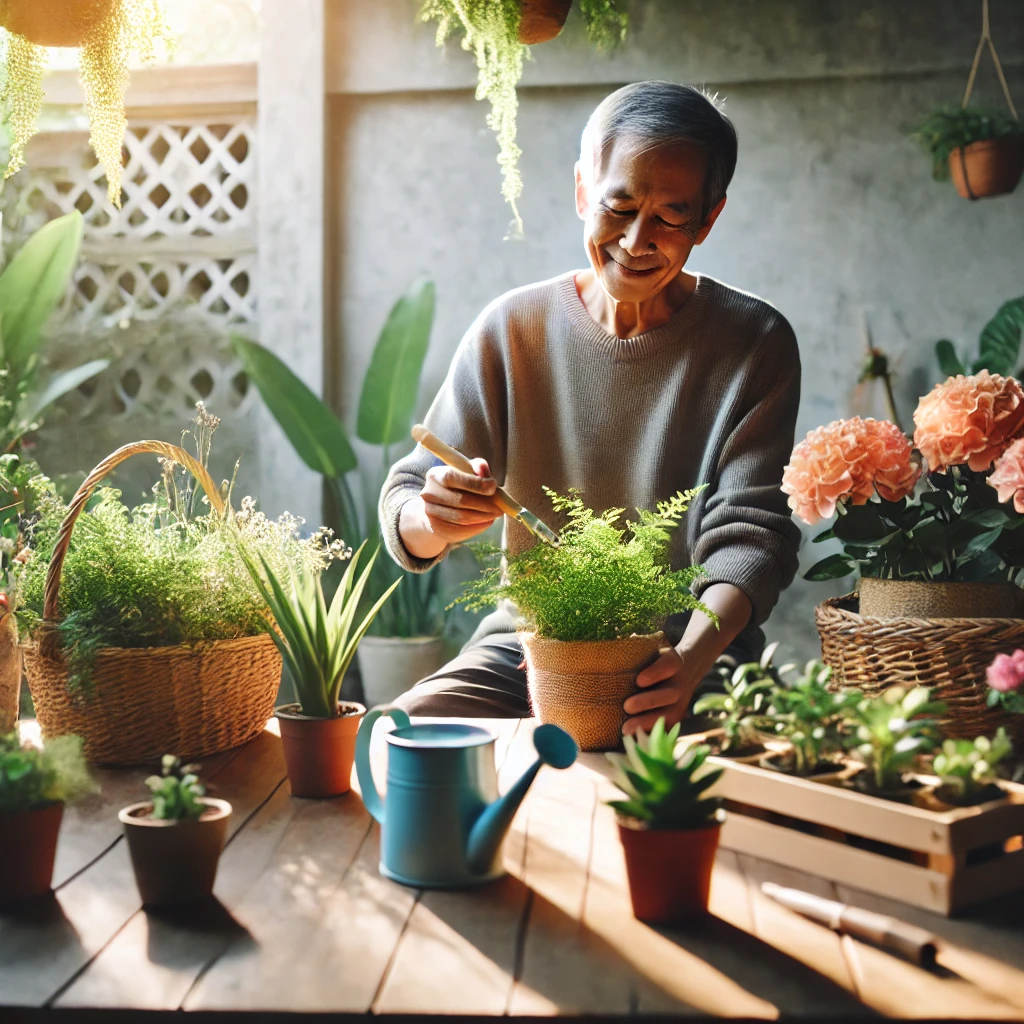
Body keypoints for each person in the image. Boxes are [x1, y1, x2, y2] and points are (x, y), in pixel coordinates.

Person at [378, 81, 801, 736]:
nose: (636, 239)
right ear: (583, 191)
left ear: (707, 221)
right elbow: (406, 503)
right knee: (397, 740)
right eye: (619, 206)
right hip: (527, 650)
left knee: (731, 787)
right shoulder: (511, 330)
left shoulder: (755, 343)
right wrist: (433, 516)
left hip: (690, 653)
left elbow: (753, 537)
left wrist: (687, 661)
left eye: (669, 217)